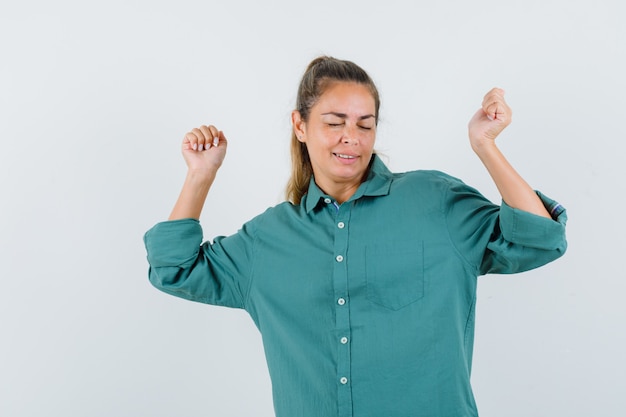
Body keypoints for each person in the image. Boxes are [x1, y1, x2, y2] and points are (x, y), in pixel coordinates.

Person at [144, 56, 567, 417]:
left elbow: (540, 239)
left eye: (365, 125)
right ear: (300, 125)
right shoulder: (266, 240)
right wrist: (200, 177)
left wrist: (485, 145)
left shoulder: (434, 201)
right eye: (334, 122)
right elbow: (174, 269)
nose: (352, 137)